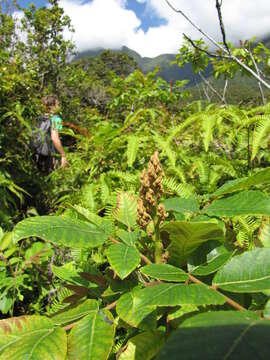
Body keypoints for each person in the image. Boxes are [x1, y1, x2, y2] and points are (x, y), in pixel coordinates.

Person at [34, 95, 68, 173]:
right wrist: (63, 155)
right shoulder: (56, 119)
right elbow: (54, 138)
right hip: (50, 154)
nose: (59, 106)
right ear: (52, 106)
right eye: (58, 104)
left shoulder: (39, 118)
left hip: (37, 152)